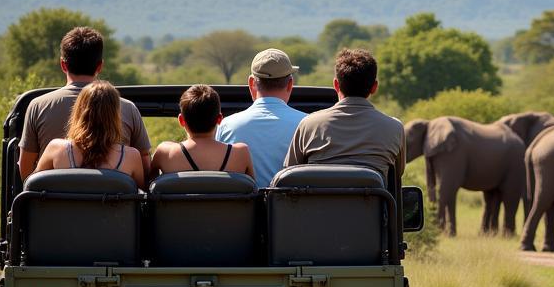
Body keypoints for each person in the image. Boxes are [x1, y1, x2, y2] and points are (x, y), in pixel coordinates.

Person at [18, 26, 150, 181]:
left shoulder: (37, 106)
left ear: (63, 65)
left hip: (59, 203)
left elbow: (27, 173)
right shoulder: (128, 108)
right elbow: (144, 172)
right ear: (99, 66)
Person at [284, 48, 404, 180]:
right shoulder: (394, 128)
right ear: (374, 87)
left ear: (336, 84)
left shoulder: (309, 124)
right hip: (370, 201)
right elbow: (396, 176)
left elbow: (289, 175)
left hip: (321, 201)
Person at [216, 48, 305, 187]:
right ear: (290, 84)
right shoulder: (308, 125)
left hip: (243, 208)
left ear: (252, 83)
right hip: (291, 208)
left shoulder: (226, 125)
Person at [34, 80, 145, 189]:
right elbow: (142, 196)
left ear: (79, 111)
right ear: (115, 115)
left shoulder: (56, 149)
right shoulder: (132, 157)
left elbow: (33, 186)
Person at [151, 84, 255, 179]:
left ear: (181, 120)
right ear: (219, 119)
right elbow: (253, 194)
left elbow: (148, 188)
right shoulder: (241, 153)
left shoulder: (165, 152)